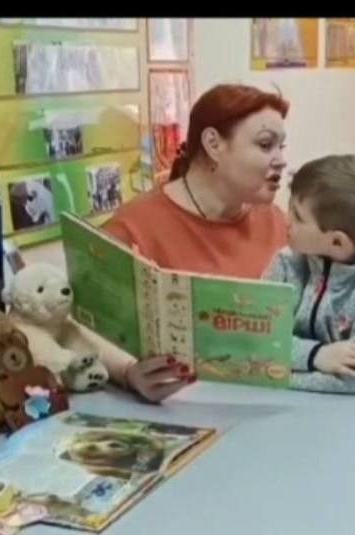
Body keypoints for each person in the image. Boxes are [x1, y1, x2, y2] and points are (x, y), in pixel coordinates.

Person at [93, 83, 292, 403]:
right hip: (172, 410)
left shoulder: (276, 221)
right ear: (213, 144)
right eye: (266, 145)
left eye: (282, 147)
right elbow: (76, 327)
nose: (281, 160)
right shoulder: (134, 227)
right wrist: (128, 372)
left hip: (269, 405)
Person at [262, 154, 355, 394]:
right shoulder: (286, 263)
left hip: (342, 412)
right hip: (273, 403)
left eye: (298, 216)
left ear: (337, 242)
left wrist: (277, 374)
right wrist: (317, 355)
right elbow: (257, 344)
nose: (287, 220)